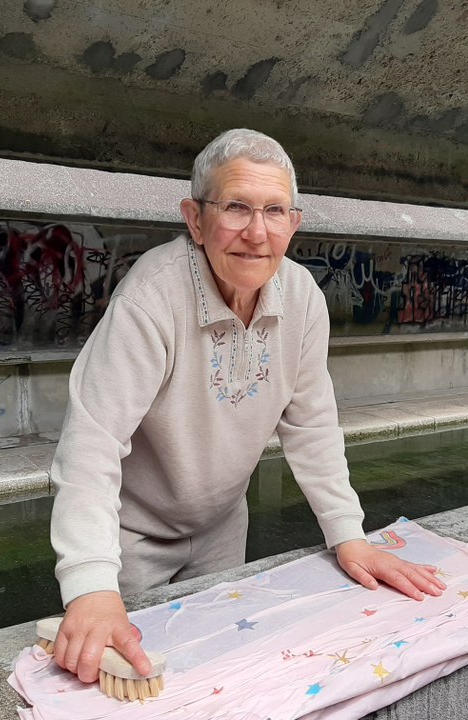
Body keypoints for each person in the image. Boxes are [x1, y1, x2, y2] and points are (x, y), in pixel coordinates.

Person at [48, 128, 447, 683]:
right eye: (236, 207)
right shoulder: (152, 296)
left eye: (275, 211)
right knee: (131, 678)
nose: (257, 233)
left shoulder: (304, 296)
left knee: (220, 676)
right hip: (131, 537)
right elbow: (91, 443)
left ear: (294, 223)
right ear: (194, 218)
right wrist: (91, 586)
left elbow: (312, 426)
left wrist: (349, 535)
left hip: (221, 528)